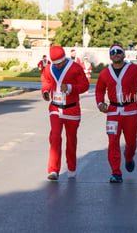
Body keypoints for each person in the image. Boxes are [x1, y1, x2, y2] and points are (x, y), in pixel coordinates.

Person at [95, 44, 137, 183]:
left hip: (130, 111)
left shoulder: (133, 69)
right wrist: (100, 103)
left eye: (119, 52)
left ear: (124, 54)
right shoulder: (104, 73)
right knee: (113, 143)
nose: (116, 54)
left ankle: (129, 157)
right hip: (113, 112)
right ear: (110, 56)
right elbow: (99, 90)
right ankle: (116, 173)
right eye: (113, 52)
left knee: (131, 143)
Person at [41, 46, 89, 181]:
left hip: (72, 109)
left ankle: (71, 167)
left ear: (65, 59)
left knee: (71, 139)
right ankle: (53, 170)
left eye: (61, 62)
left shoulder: (75, 68)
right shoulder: (48, 69)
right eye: (56, 63)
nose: (59, 65)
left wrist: (70, 88)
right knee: (55, 137)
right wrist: (45, 91)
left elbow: (85, 85)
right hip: (55, 109)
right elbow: (46, 81)